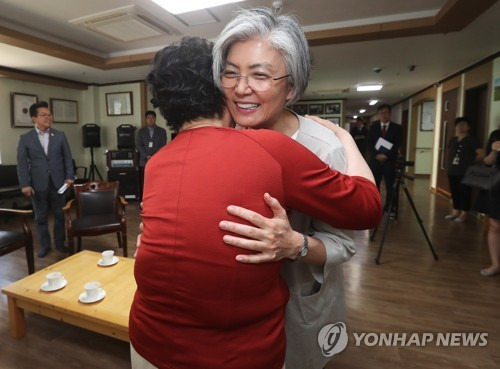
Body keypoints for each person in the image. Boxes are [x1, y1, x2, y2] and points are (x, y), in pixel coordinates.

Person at [129, 36, 381, 369]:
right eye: (232, 75)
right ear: (221, 88)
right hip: (232, 352)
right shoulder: (266, 146)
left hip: (147, 340)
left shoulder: (157, 162)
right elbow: (367, 207)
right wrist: (348, 141)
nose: (242, 87)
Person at [212, 8, 372, 369]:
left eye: (260, 76)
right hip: (235, 307)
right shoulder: (221, 140)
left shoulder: (322, 148)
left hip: (297, 302)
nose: (240, 89)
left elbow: (344, 244)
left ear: (292, 87)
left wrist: (293, 244)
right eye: (231, 73)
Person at [16, 101, 74, 258]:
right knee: (40, 217)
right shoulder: (26, 138)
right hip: (37, 184)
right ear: (34, 118)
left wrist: (69, 177)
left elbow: (68, 158)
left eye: (49, 114)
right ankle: (45, 245)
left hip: (58, 182)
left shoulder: (60, 135)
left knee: (59, 215)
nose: (48, 117)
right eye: (44, 115)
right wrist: (25, 184)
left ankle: (60, 243)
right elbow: (21, 163)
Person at [445, 117, 484, 222]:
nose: (461, 127)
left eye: (464, 125)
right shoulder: (453, 140)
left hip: (466, 170)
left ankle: (463, 214)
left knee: (465, 192)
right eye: (459, 125)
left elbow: (481, 154)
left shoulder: (472, 140)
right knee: (455, 191)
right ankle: (455, 212)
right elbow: (450, 153)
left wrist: (470, 161)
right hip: (452, 169)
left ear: (468, 127)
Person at [367, 103, 403, 215]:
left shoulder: (397, 128)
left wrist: (386, 155)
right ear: (378, 115)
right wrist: (376, 155)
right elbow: (369, 144)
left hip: (389, 162)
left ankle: (390, 208)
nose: (383, 115)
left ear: (390, 114)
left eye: (386, 112)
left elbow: (397, 144)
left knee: (391, 186)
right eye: (381, 113)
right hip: (375, 162)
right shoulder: (373, 127)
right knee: (374, 186)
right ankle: (374, 208)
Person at [474, 129, 500, 276]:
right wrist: (494, 152)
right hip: (498, 183)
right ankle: (496, 264)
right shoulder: (496, 134)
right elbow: (487, 162)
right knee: (495, 225)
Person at [136, 110, 167, 199]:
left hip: (158, 161)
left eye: (152, 118)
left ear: (155, 119)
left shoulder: (162, 131)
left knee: (157, 181)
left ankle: (157, 199)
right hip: (144, 161)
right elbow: (139, 145)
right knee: (144, 182)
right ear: (146, 119)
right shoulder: (141, 132)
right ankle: (144, 200)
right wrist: (147, 156)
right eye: (148, 118)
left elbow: (163, 145)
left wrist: (154, 157)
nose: (150, 120)